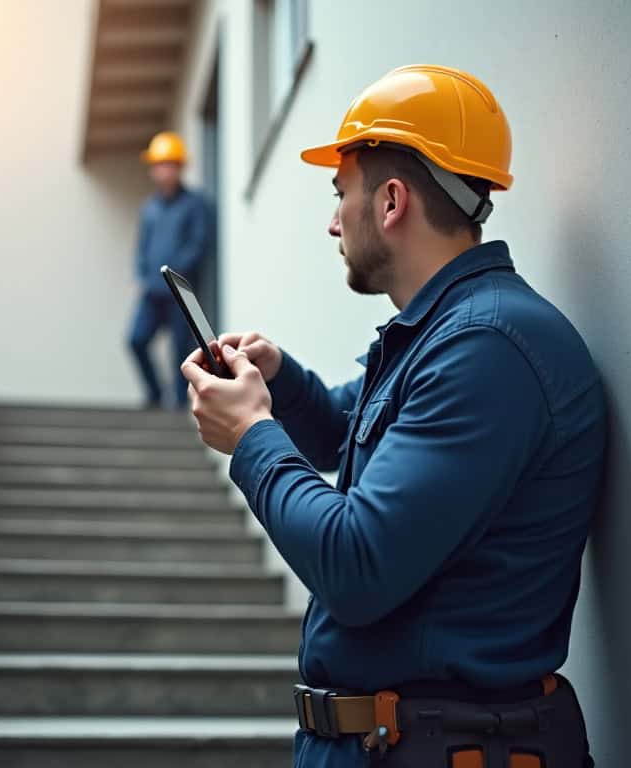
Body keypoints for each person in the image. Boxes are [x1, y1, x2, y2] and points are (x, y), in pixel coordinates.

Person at [180, 65, 605, 767]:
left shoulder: (486, 349)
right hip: (398, 742)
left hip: (435, 747)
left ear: (392, 202)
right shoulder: (444, 335)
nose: (331, 220)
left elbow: (357, 564)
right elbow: (347, 429)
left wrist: (251, 437)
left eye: (340, 193)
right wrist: (278, 381)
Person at [129, 131, 210, 409]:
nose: (163, 171)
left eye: (168, 164)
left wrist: (175, 273)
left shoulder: (194, 203)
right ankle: (154, 395)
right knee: (136, 340)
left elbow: (198, 244)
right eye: (158, 165)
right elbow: (142, 246)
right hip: (152, 290)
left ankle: (178, 407)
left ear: (179, 167)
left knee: (180, 349)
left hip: (179, 291)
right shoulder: (149, 208)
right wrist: (143, 273)